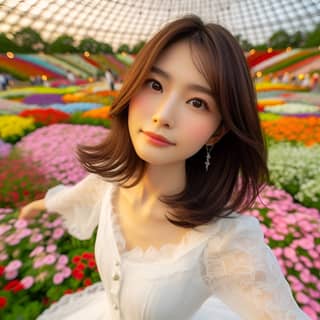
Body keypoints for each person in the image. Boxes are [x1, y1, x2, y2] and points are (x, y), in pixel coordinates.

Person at [19, 15, 310, 320]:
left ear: (217, 131)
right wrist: (38, 207)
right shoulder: (112, 182)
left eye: (197, 102)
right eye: (155, 84)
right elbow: (77, 197)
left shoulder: (225, 240)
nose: (163, 115)